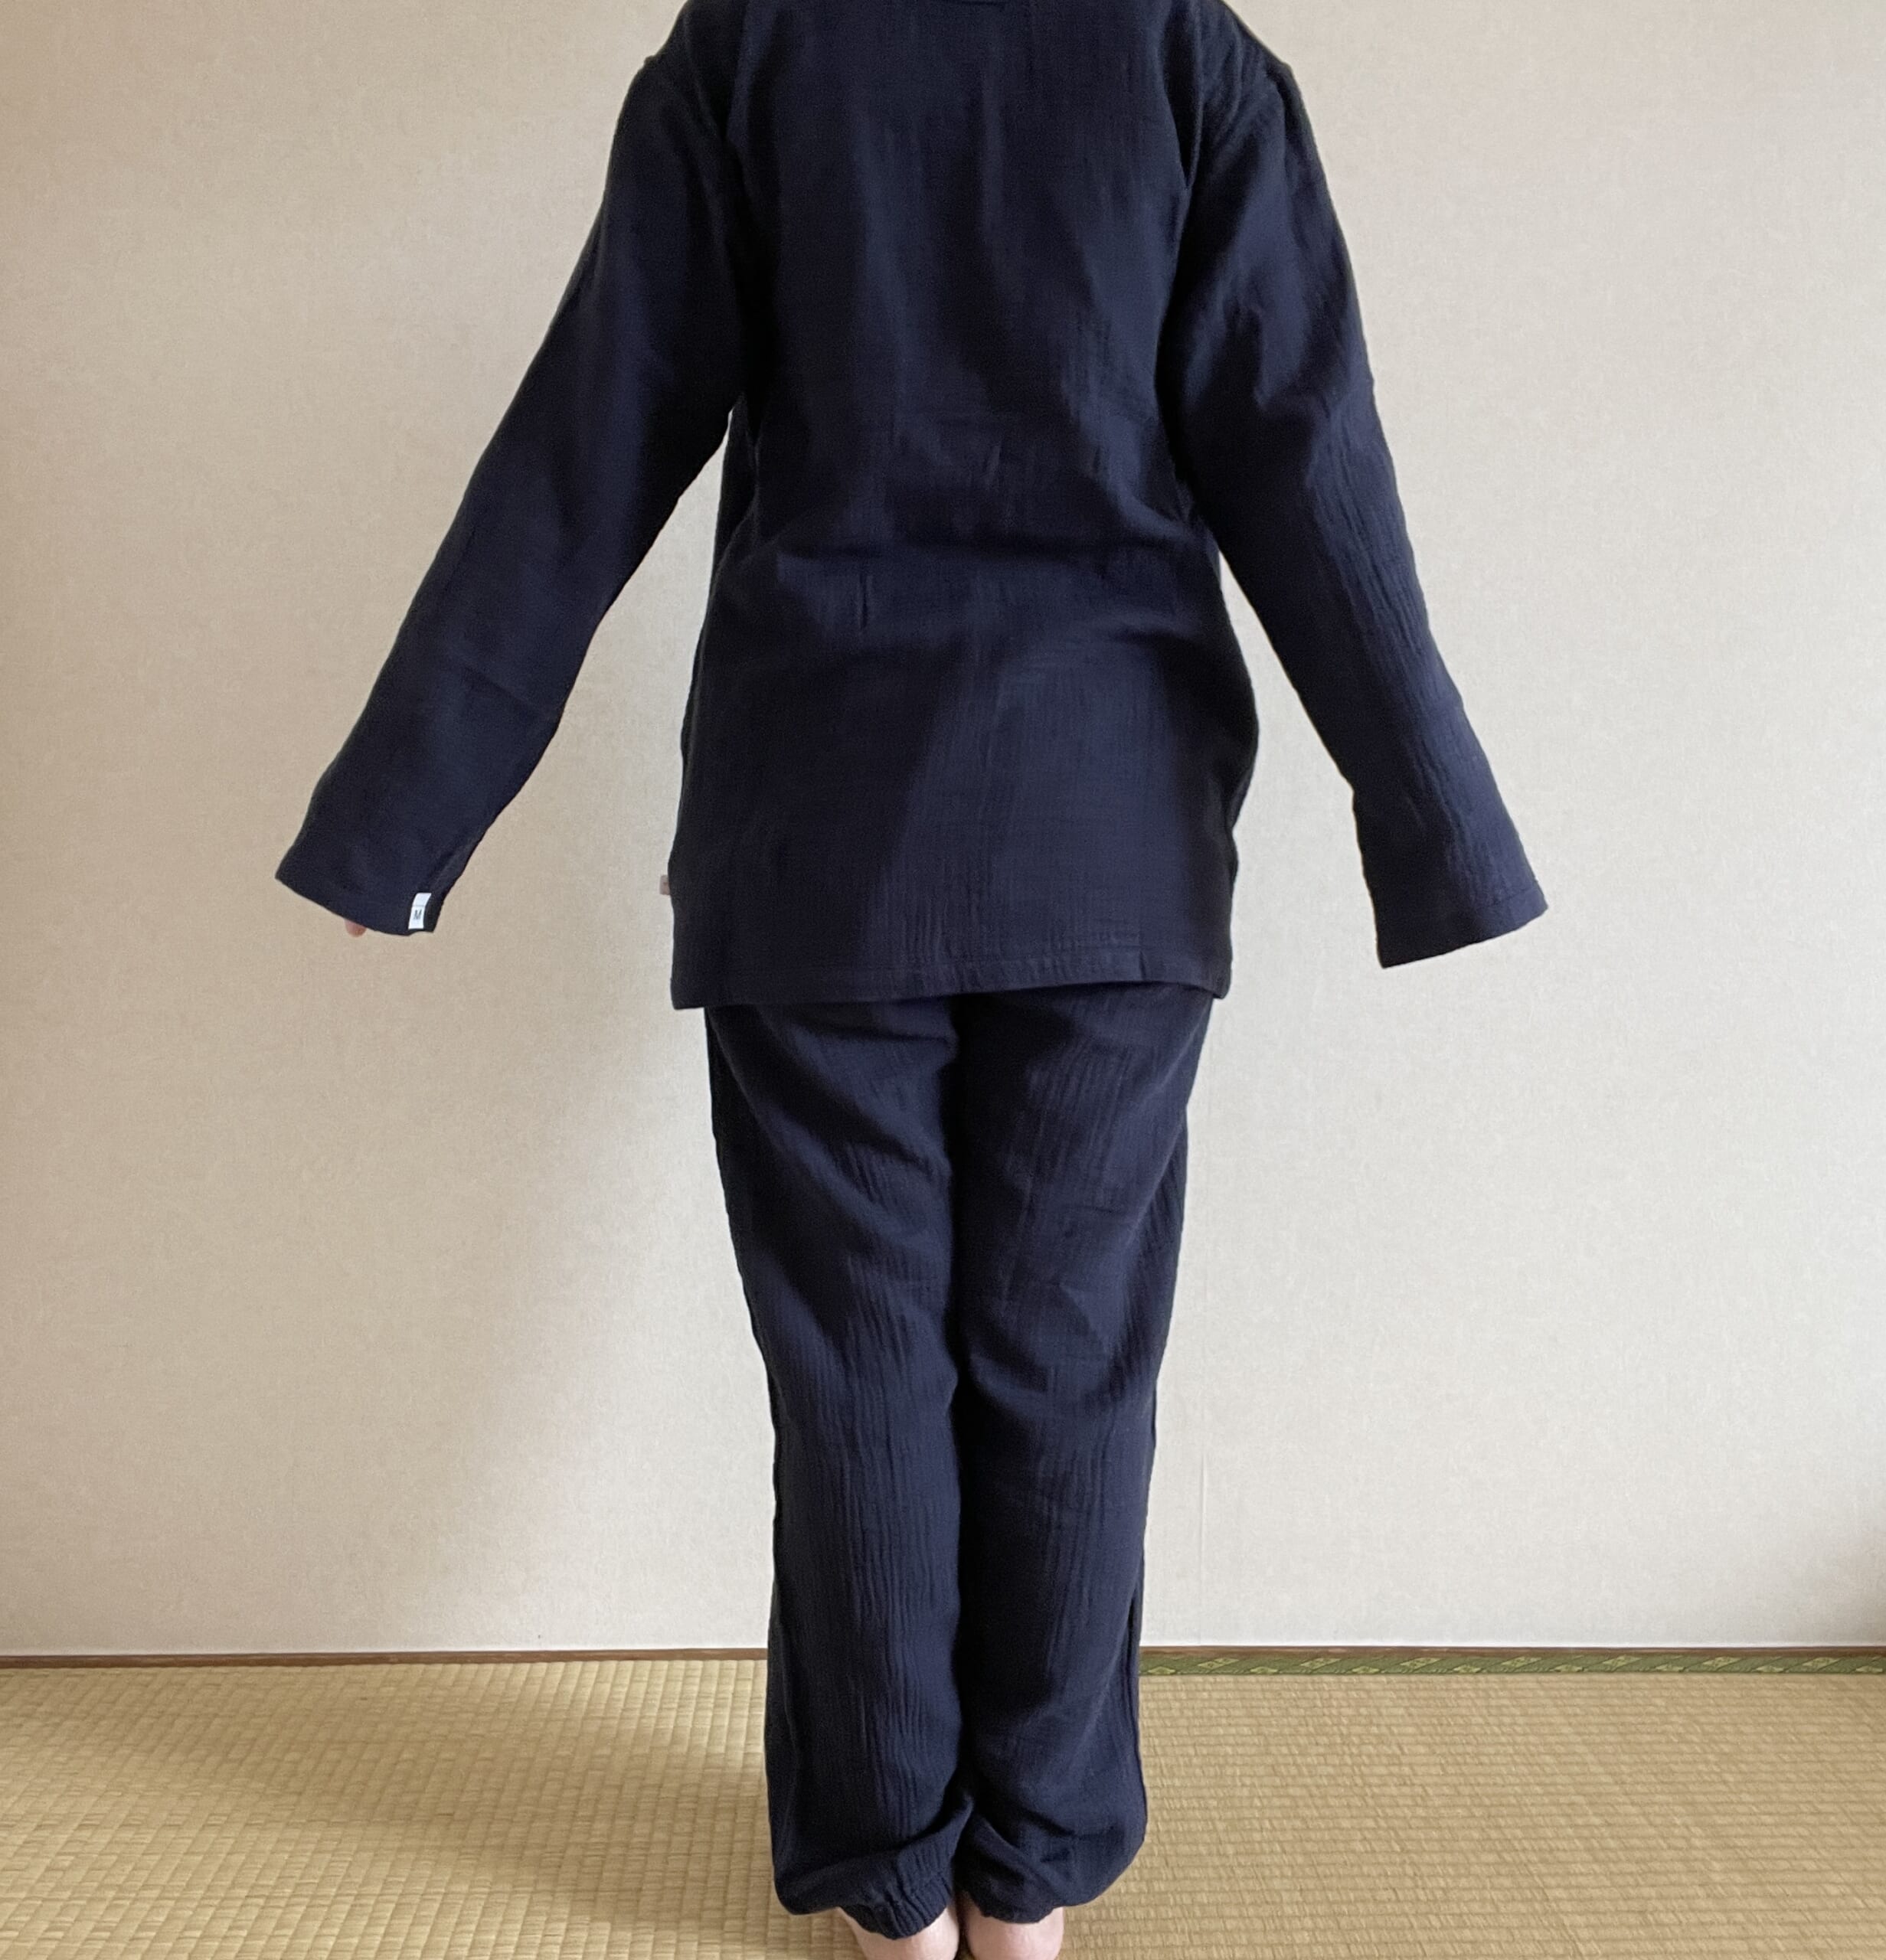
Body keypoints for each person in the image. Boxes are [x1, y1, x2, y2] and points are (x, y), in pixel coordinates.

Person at [276, 0, 1548, 1953]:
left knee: (859, 1364)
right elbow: (1302, 451)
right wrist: (1438, 825)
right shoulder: (1183, 55)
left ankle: (892, 1891)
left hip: (823, 828)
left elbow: (589, 437)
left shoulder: (753, 47)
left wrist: (403, 814)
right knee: (1062, 1363)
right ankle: (1023, 1889)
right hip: (1105, 832)